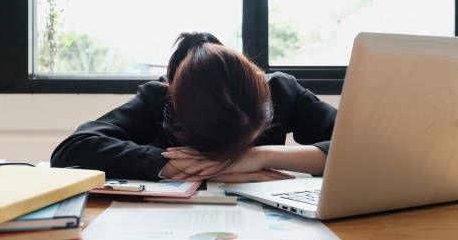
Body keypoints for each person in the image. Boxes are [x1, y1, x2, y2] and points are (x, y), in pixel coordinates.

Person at [50, 32, 337, 182]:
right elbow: (71, 149)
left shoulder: (280, 90)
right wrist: (171, 166)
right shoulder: (159, 99)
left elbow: (364, 146)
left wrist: (259, 156)